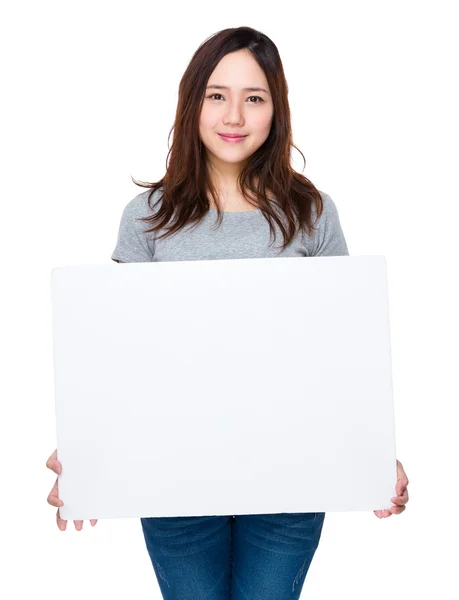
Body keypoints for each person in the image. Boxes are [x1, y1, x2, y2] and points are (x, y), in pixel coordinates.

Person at [46, 26, 410, 600]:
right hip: (173, 478)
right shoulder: (147, 216)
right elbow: (121, 353)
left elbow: (343, 351)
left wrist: (371, 453)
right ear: (193, 103)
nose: (234, 114)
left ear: (276, 109)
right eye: (217, 95)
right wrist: (87, 450)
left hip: (293, 473)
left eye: (255, 97)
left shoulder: (312, 213)